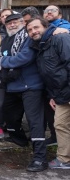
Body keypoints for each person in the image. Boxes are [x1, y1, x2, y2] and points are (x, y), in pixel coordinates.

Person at [0, 14, 47, 172]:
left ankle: (40, 158)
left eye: (15, 22)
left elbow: (24, 58)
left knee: (35, 122)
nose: (12, 25)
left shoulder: (29, 38)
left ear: (22, 23)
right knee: (9, 116)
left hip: (31, 86)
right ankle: (20, 141)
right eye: (9, 23)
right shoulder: (6, 40)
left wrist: (4, 62)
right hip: (12, 86)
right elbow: (1, 57)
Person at [26, 17, 70, 169]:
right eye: (30, 30)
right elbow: (48, 74)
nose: (33, 31)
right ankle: (64, 160)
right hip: (60, 93)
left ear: (46, 26)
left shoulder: (61, 38)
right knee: (60, 125)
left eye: (36, 27)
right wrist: (52, 95)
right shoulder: (39, 46)